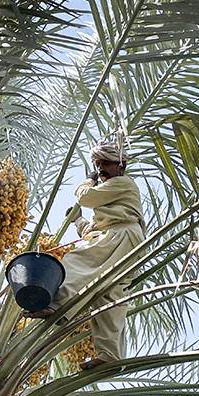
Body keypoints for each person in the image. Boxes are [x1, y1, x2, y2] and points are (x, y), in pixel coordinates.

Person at [24, 141, 145, 369]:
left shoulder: (124, 183)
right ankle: (110, 356)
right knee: (107, 296)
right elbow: (93, 232)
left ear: (121, 165)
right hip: (123, 240)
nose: (100, 169)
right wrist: (78, 220)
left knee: (76, 261)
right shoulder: (112, 197)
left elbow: (86, 197)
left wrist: (88, 180)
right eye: (97, 165)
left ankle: (57, 304)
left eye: (105, 164)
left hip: (122, 236)